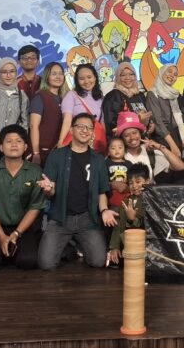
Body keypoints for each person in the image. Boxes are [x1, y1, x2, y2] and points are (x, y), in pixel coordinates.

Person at [37, 113, 115, 270]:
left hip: (87, 219)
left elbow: (102, 191)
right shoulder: (57, 155)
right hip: (60, 218)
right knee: (46, 264)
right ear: (71, 130)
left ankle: (76, 243)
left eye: (89, 128)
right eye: (81, 126)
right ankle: (69, 246)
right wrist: (48, 189)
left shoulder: (98, 159)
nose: (85, 130)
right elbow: (50, 192)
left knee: (98, 261)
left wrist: (105, 210)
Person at [0, 125, 45, 273]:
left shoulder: (35, 171)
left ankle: (10, 252)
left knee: (29, 261)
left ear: (25, 147)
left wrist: (16, 233)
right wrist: (2, 237)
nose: (14, 144)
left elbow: (35, 207)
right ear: (0, 147)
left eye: (18, 141)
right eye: (9, 141)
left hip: (23, 229)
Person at [116, 111, 184, 183]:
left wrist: (159, 147)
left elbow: (180, 167)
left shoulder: (150, 152)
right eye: (126, 135)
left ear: (140, 133)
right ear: (122, 139)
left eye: (134, 133)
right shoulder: (118, 156)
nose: (132, 137)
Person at [107, 165, 151, 265]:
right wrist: (115, 247)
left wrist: (133, 219)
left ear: (148, 181)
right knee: (115, 262)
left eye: (138, 182)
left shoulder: (151, 200)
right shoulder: (126, 201)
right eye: (131, 183)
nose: (134, 186)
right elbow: (119, 225)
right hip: (127, 242)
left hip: (145, 244)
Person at [58, 63, 105, 153]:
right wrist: (61, 140)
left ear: (95, 77)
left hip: (94, 143)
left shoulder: (101, 98)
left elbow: (102, 123)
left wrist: (105, 143)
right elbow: (67, 120)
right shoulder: (71, 95)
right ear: (77, 81)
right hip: (76, 142)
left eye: (89, 77)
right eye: (82, 79)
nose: (86, 81)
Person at [29, 63, 67, 166]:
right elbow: (33, 126)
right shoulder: (40, 97)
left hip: (58, 152)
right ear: (47, 77)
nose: (58, 77)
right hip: (42, 152)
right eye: (54, 74)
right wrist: (36, 153)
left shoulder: (65, 99)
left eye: (60, 73)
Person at [101, 62, 152, 137]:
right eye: (123, 75)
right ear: (118, 77)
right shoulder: (112, 96)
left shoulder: (140, 95)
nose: (128, 78)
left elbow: (146, 115)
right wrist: (136, 119)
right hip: (124, 141)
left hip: (142, 139)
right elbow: (111, 124)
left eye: (131, 74)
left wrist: (151, 124)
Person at [145, 63, 184, 154]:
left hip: (176, 135)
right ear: (162, 72)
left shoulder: (174, 94)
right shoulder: (152, 94)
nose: (172, 75)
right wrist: (172, 145)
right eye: (169, 71)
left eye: (175, 74)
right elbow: (158, 122)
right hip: (162, 138)